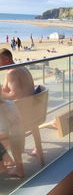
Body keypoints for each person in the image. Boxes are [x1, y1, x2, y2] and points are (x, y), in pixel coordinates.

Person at [0, 48, 35, 177]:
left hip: (19, 117)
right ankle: (4, 158)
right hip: (31, 113)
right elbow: (6, 89)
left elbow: (14, 95)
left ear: (6, 59)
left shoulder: (12, 73)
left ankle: (5, 161)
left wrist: (1, 93)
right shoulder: (20, 68)